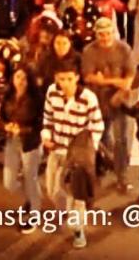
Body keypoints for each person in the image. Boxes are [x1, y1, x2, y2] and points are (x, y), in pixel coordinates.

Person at [41, 61, 104, 249]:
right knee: (53, 190)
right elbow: (47, 117)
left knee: (76, 195)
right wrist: (46, 136)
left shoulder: (88, 98)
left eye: (69, 79)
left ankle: (78, 229)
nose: (65, 83)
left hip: (76, 157)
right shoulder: (52, 92)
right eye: (61, 79)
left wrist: (86, 150)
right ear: (55, 78)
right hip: (57, 149)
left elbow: (97, 125)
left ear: (77, 77)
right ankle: (65, 214)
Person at [81, 18, 135, 193]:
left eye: (108, 33)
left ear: (113, 33)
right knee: (101, 138)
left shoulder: (123, 49)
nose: (105, 38)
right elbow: (88, 77)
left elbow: (128, 81)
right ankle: (108, 164)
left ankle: (122, 176)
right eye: (101, 34)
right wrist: (116, 81)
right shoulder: (89, 51)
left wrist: (104, 80)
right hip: (98, 102)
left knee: (122, 140)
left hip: (119, 101)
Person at [0, 67, 44, 234]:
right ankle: (30, 198)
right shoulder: (8, 95)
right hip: (12, 140)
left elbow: (40, 124)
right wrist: (6, 125)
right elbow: (2, 115)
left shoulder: (36, 99)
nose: (20, 81)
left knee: (30, 178)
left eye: (24, 78)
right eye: (17, 77)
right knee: (9, 182)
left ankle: (35, 213)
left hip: (30, 142)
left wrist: (23, 130)